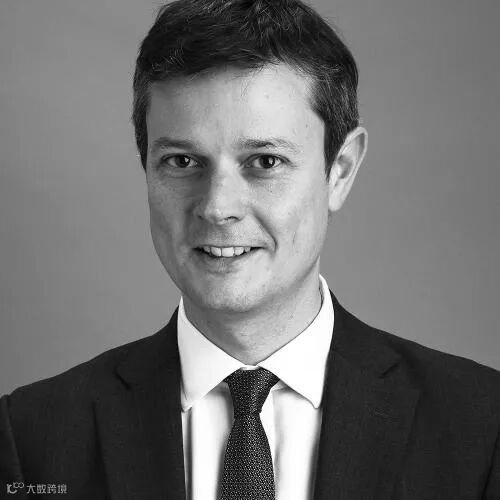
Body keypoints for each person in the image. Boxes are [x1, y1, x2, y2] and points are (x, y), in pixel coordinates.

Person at [1, 0, 499, 498]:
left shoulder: (483, 427)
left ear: (340, 171)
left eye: (265, 161)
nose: (217, 208)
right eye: (181, 161)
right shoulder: (29, 436)